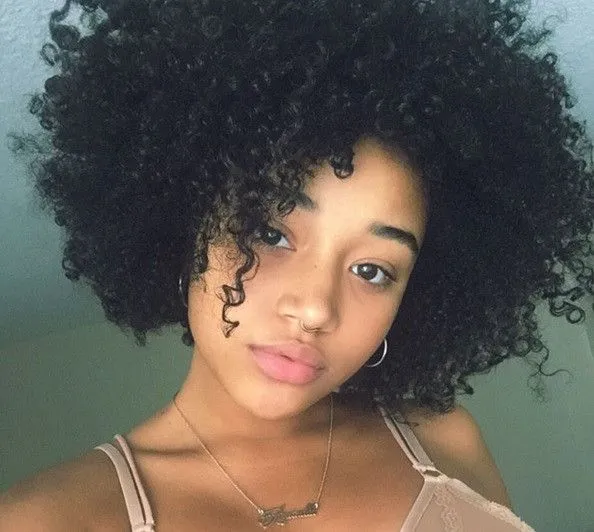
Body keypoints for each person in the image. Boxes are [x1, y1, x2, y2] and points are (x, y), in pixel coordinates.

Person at [1, 0, 593, 529]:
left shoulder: (445, 438)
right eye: (271, 233)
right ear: (186, 226)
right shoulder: (43, 519)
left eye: (373, 271)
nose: (314, 309)